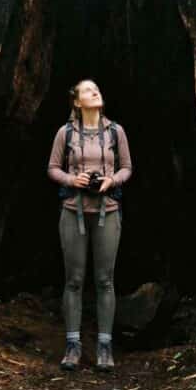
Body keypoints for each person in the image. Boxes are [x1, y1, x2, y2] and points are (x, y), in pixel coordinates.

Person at [47, 79, 132, 372]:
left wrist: (112, 180)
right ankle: (73, 346)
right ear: (76, 102)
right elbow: (53, 168)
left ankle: (105, 348)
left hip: (108, 210)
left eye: (97, 88)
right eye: (87, 90)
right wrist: (74, 180)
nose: (95, 91)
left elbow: (127, 168)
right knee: (74, 279)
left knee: (105, 280)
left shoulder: (115, 132)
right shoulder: (66, 133)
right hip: (74, 211)